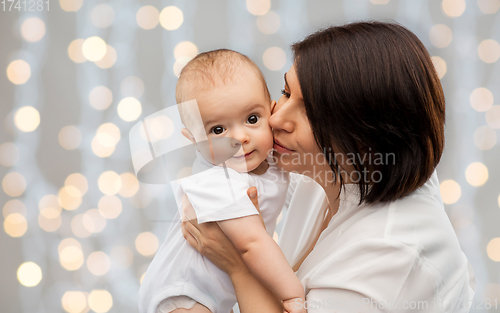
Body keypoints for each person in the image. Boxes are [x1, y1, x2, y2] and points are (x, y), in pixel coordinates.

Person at [180, 22, 476, 313]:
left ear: (364, 140)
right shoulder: (329, 169)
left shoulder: (387, 253)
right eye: (285, 92)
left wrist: (238, 267)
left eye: (310, 112)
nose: (276, 119)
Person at [138, 49, 307, 313]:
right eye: (218, 130)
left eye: (252, 119)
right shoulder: (218, 181)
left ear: (271, 110)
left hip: (217, 292)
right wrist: (292, 293)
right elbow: (252, 244)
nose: (239, 137)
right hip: (184, 293)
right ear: (193, 139)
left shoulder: (273, 159)